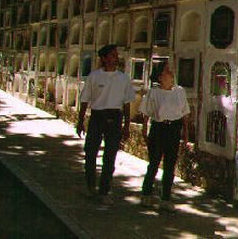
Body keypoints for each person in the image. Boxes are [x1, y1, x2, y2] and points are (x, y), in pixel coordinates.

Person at [76, 44, 135, 205]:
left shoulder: (123, 78)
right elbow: (84, 99)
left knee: (110, 155)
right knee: (90, 152)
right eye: (112, 55)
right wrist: (80, 121)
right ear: (104, 58)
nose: (116, 57)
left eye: (116, 54)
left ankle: (104, 190)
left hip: (115, 117)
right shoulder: (94, 76)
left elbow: (127, 103)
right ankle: (90, 185)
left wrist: (126, 125)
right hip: (97, 116)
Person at [139, 61, 190, 211]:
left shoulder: (179, 91)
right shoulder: (153, 92)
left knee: (169, 166)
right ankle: (146, 194)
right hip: (158, 129)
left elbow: (184, 113)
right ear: (160, 76)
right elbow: (147, 112)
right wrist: (143, 129)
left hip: (173, 129)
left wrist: (185, 132)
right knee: (154, 163)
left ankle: (166, 198)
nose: (171, 73)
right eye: (167, 71)